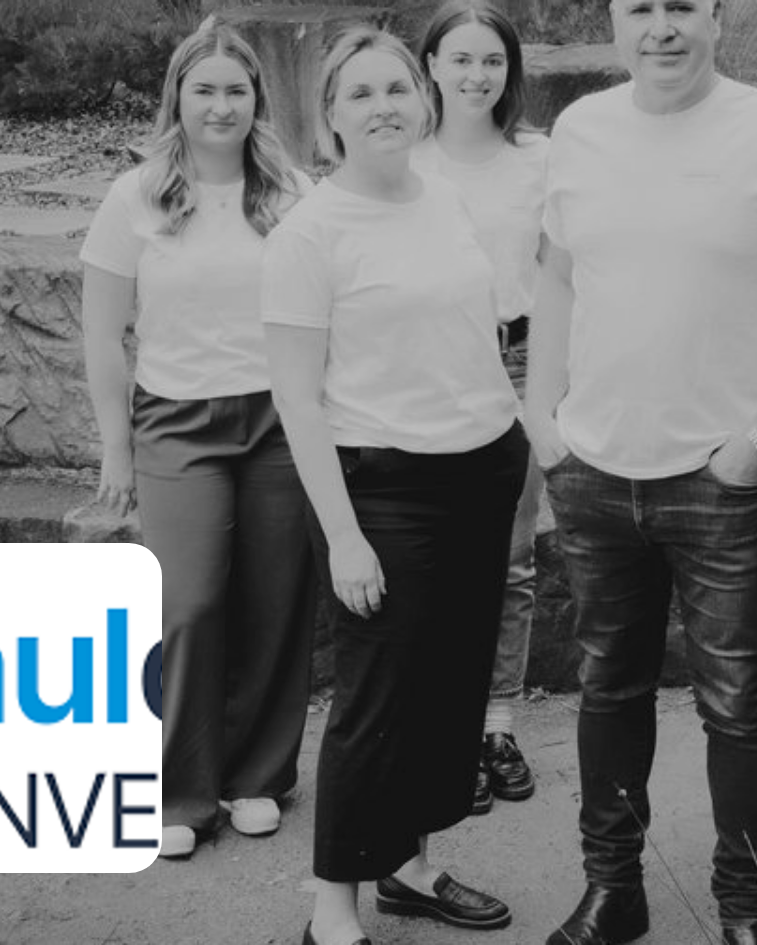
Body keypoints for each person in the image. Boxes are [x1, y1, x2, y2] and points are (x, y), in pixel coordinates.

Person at [526, 0, 757, 939]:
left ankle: (744, 914)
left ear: (715, 17)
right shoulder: (581, 130)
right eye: (640, 8)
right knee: (608, 690)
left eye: (682, 6)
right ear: (614, 20)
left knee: (739, 706)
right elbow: (556, 275)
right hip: (593, 470)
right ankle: (613, 892)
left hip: (724, 480)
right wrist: (543, 417)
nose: (661, 28)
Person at [262, 26, 528, 945]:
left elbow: (481, 328)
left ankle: (408, 866)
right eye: (361, 94)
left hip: (482, 470)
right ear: (329, 117)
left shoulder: (445, 198)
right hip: (383, 493)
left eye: (396, 89)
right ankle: (333, 909)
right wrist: (343, 535)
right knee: (376, 703)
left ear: (423, 100)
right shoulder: (310, 234)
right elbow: (296, 398)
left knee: (448, 688)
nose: (384, 107)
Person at [79, 23, 314, 861]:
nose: (221, 106)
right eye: (204, 89)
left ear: (258, 100)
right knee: (188, 603)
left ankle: (258, 777)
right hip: (176, 420)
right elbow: (103, 334)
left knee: (277, 598)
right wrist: (117, 446)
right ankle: (183, 790)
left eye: (236, 90)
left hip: (280, 419)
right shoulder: (134, 196)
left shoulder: (292, 193)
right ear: (177, 96)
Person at [413, 0, 548, 817]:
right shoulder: (405, 158)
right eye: (460, 59)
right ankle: (446, 731)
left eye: (492, 60)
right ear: (430, 65)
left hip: (523, 363)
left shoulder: (540, 159)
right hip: (430, 365)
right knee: (437, 558)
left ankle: (496, 725)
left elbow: (562, 271)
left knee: (513, 557)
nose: (476, 75)